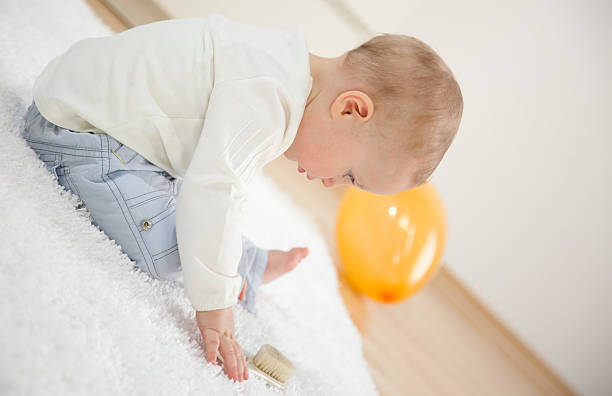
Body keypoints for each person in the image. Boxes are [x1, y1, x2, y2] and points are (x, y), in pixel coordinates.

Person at [22, 13, 462, 383]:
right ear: (350, 109)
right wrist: (214, 306)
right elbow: (214, 188)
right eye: (349, 174)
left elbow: (211, 183)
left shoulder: (283, 62)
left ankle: (245, 262)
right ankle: (237, 270)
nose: (332, 185)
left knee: (196, 214)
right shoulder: (267, 100)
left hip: (114, 120)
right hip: (78, 132)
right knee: (167, 249)